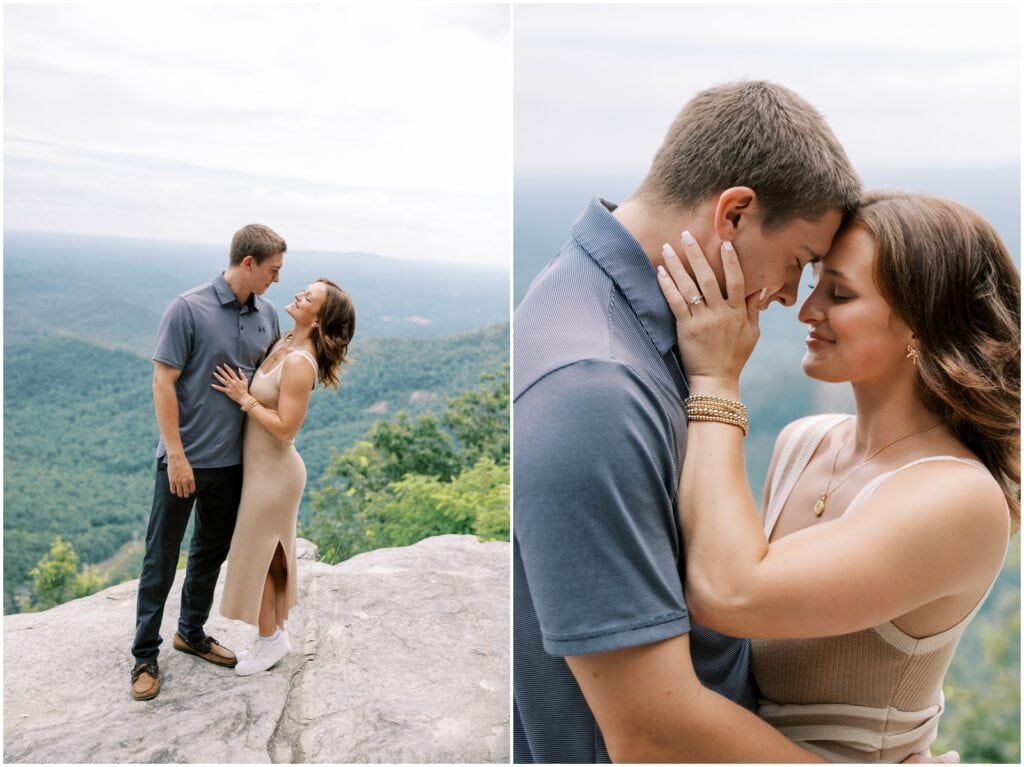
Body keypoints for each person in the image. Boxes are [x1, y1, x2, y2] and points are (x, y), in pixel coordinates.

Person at [514, 80, 863, 762]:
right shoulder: (596, 389)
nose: (790, 297)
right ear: (734, 213)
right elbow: (652, 729)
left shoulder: (594, 297)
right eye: (798, 261)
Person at [656, 191, 1019, 762]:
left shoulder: (959, 496)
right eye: (814, 285)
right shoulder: (804, 443)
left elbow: (728, 594)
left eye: (840, 294)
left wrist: (717, 381)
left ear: (921, 325)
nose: (806, 311)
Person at [131, 223, 286, 701]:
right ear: (248, 263)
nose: (277, 279)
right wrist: (176, 456)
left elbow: (272, 379)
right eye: (272, 270)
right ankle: (144, 656)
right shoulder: (187, 308)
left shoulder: (268, 314)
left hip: (233, 465)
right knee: (161, 557)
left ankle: (191, 632)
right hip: (185, 461)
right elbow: (163, 383)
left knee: (208, 554)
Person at [212, 277, 354, 675]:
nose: (298, 295)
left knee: (257, 557)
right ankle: (274, 636)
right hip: (263, 472)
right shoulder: (285, 341)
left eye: (308, 297)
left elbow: (286, 429)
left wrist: (244, 398)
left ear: (318, 319)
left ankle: (269, 641)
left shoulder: (299, 362)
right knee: (272, 558)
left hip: (276, 476)